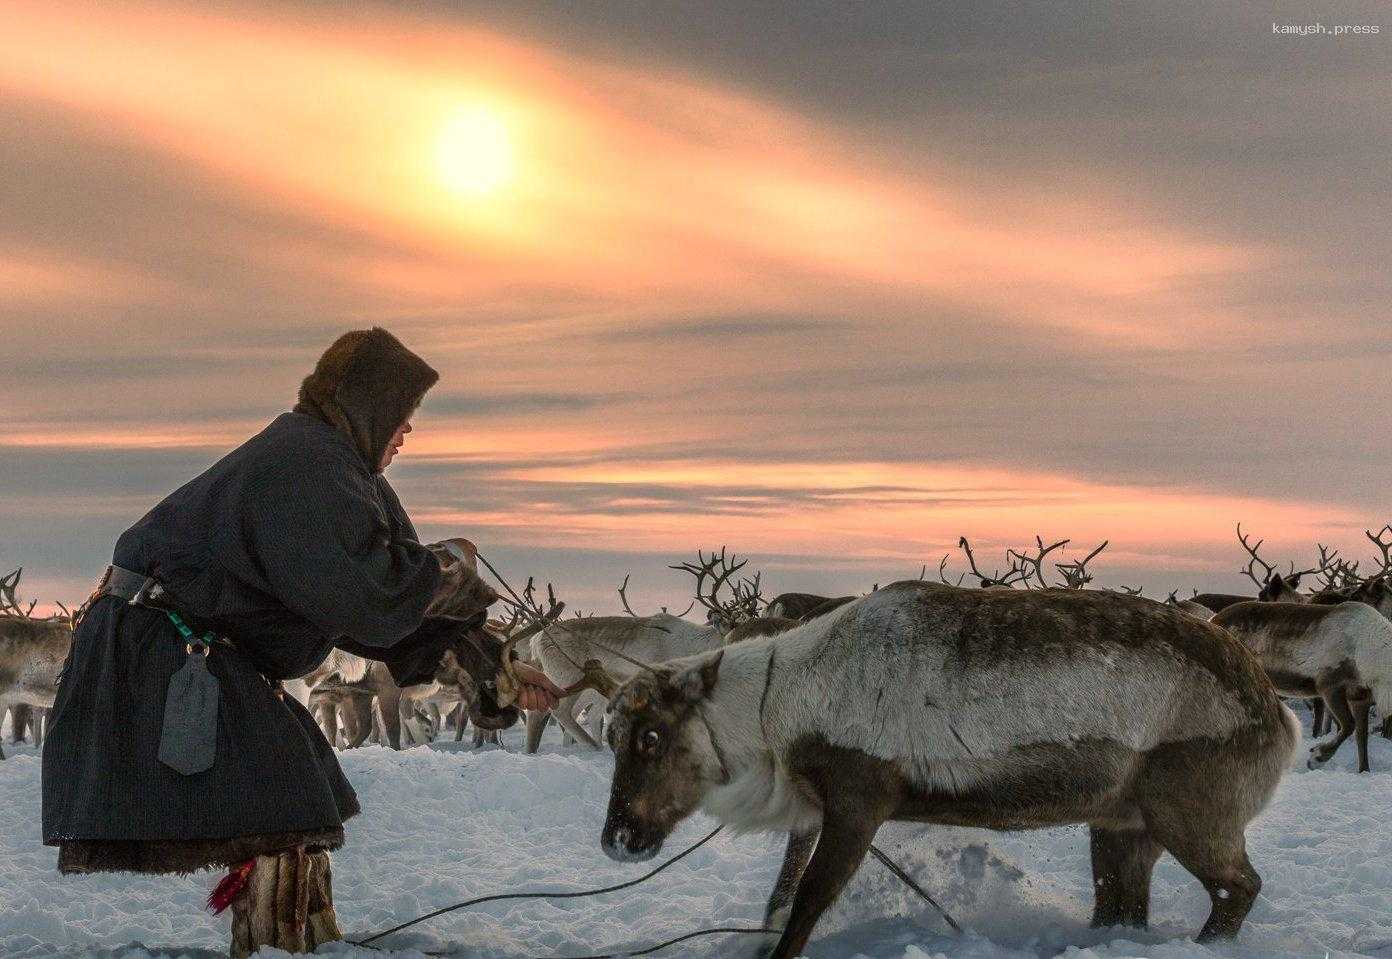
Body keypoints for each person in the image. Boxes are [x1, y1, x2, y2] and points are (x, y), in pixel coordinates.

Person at [41, 327, 561, 956]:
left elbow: (386, 605)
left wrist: (499, 671)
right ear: (370, 406)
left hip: (186, 647)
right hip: (161, 647)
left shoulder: (334, 469)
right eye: (404, 414)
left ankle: (290, 936)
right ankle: (281, 944)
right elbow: (373, 596)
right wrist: (447, 564)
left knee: (296, 787)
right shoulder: (306, 466)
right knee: (284, 793)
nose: (409, 431)